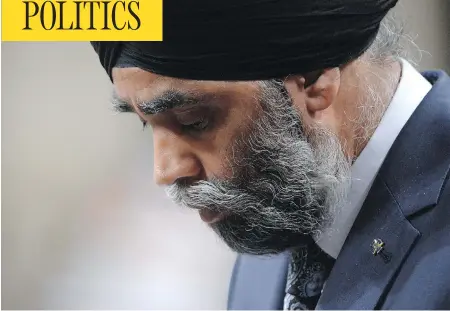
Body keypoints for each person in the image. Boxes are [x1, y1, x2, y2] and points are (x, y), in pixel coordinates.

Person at [90, 0, 450, 309]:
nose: (164, 171)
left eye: (194, 121)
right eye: (146, 124)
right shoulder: (277, 202)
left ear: (314, 79)